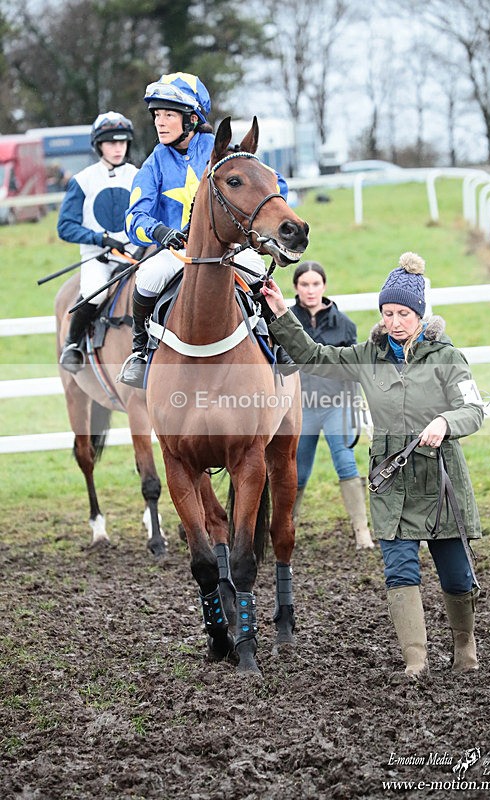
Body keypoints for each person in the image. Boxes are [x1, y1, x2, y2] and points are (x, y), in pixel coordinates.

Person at [261, 252, 484, 679]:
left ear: (420, 313)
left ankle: (465, 651)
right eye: (388, 312)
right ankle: (415, 662)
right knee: (399, 569)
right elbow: (313, 356)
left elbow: (472, 409)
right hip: (391, 480)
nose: (395, 321)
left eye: (403, 313)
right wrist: (281, 313)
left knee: (455, 573)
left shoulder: (446, 356)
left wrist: (444, 421)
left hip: (439, 480)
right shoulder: (368, 354)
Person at [119, 71, 290, 388]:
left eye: (169, 114)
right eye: (157, 114)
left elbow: (275, 187)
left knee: (255, 271)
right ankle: (140, 352)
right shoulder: (155, 162)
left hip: (227, 251)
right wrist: (160, 232)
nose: (160, 122)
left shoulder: (222, 151)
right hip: (177, 252)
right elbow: (133, 218)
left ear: (191, 117)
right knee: (147, 277)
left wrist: (247, 230)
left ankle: (277, 344)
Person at [289, 261, 373, 550]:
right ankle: (287, 526)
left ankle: (362, 530)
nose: (310, 290)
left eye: (315, 284)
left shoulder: (345, 325)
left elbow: (353, 367)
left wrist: (356, 403)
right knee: (297, 471)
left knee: (345, 461)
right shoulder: (286, 322)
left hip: (336, 403)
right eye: (304, 284)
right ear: (296, 288)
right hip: (301, 406)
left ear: (324, 286)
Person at [57, 112, 138, 372]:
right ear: (98, 146)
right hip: (99, 257)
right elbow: (65, 227)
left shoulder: (139, 176)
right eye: (110, 143)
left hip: (137, 255)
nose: (117, 148)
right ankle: (73, 343)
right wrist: (100, 239)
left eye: (122, 143)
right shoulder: (82, 180)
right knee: (97, 290)